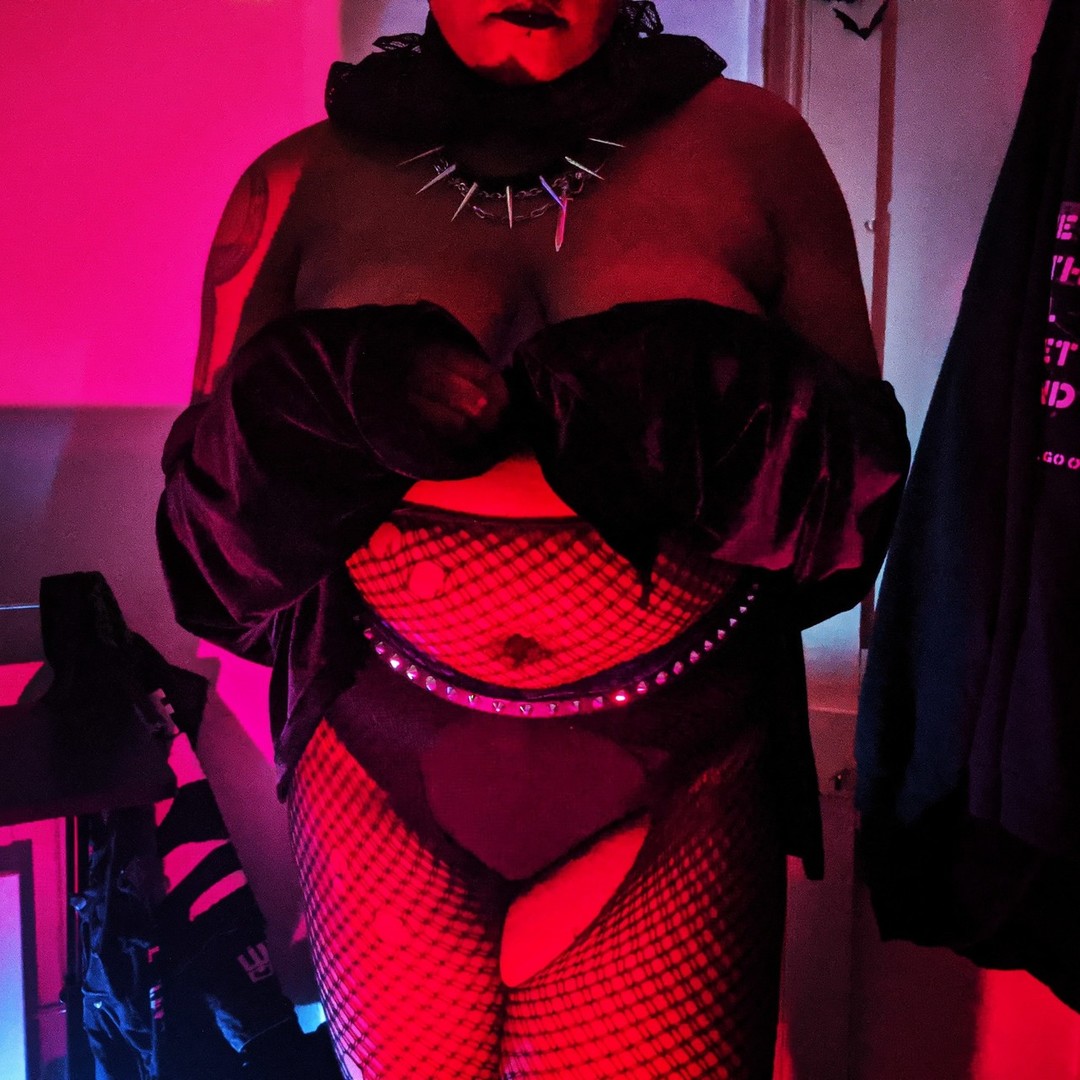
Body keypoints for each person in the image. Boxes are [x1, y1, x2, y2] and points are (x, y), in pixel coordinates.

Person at [158, 1, 909, 1076]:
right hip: (378, 764)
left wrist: (676, 403)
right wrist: (339, 398)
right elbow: (207, 557)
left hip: (679, 757)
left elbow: (862, 507)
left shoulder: (759, 149)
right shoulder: (296, 183)